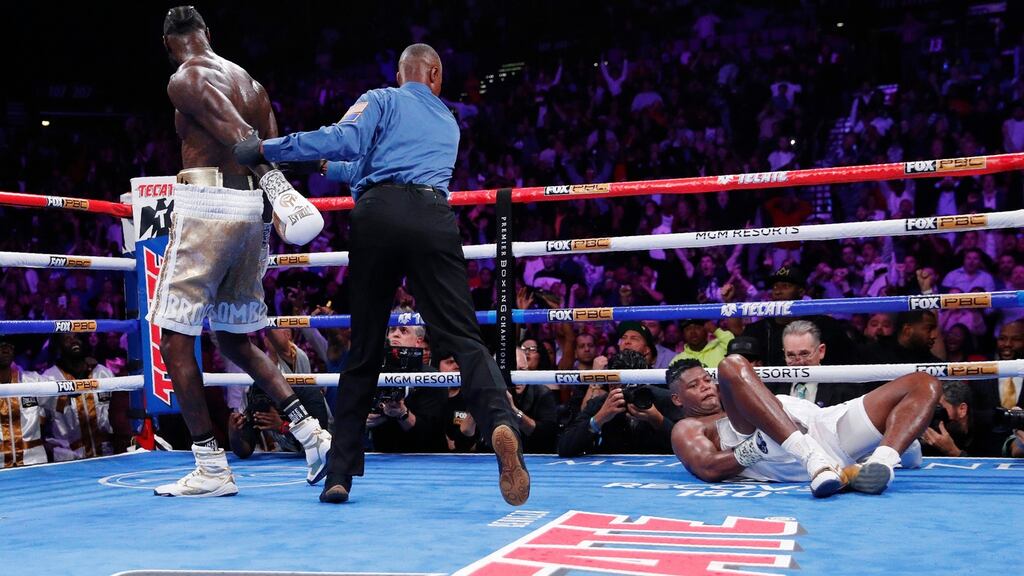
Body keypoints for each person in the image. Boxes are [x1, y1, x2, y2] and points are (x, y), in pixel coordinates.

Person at [236, 43, 528, 505]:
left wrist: (266, 149)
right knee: (465, 339)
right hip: (433, 216)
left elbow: (345, 138)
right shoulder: (448, 121)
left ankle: (339, 474)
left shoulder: (383, 99)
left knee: (366, 347)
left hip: (378, 218)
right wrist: (328, 167)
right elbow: (367, 163)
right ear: (435, 75)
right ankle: (501, 426)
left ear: (403, 74)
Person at [150, 6, 331, 497]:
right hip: (251, 213)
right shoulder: (249, 81)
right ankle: (311, 434)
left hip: (209, 207)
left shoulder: (184, 78)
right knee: (234, 338)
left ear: (170, 44)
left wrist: (277, 185)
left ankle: (211, 468)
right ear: (207, 33)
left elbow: (242, 137)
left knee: (172, 339)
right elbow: (269, 140)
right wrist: (276, 194)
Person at [669, 355, 940, 496]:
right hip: (778, 447)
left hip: (825, 427)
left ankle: (880, 461)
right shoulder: (689, 427)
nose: (705, 387)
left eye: (706, 380)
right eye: (694, 385)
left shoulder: (744, 399)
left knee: (923, 383)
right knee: (731, 364)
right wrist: (757, 446)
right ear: (677, 398)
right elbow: (707, 466)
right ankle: (814, 458)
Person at [558, 350, 675, 457]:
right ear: (611, 385)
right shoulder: (600, 404)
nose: (630, 392)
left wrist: (658, 420)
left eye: (634, 385)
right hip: (609, 473)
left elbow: (689, 444)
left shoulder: (662, 399)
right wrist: (599, 419)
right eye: (622, 385)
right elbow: (564, 448)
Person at [41, 334, 117, 461]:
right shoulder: (48, 379)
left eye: (76, 337)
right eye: (67, 338)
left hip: (108, 454)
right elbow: (39, 423)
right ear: (58, 346)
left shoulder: (103, 373)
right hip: (70, 458)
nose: (74, 341)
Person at [774, 320, 863, 407]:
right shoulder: (770, 389)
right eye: (791, 355)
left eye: (804, 354)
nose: (799, 362)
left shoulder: (846, 390)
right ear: (784, 354)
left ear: (821, 351)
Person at [0, 339, 50, 467]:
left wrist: (84, 370)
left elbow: (68, 397)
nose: (5, 349)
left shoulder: (33, 381)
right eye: (0, 345)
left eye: (9, 345)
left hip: (33, 463)